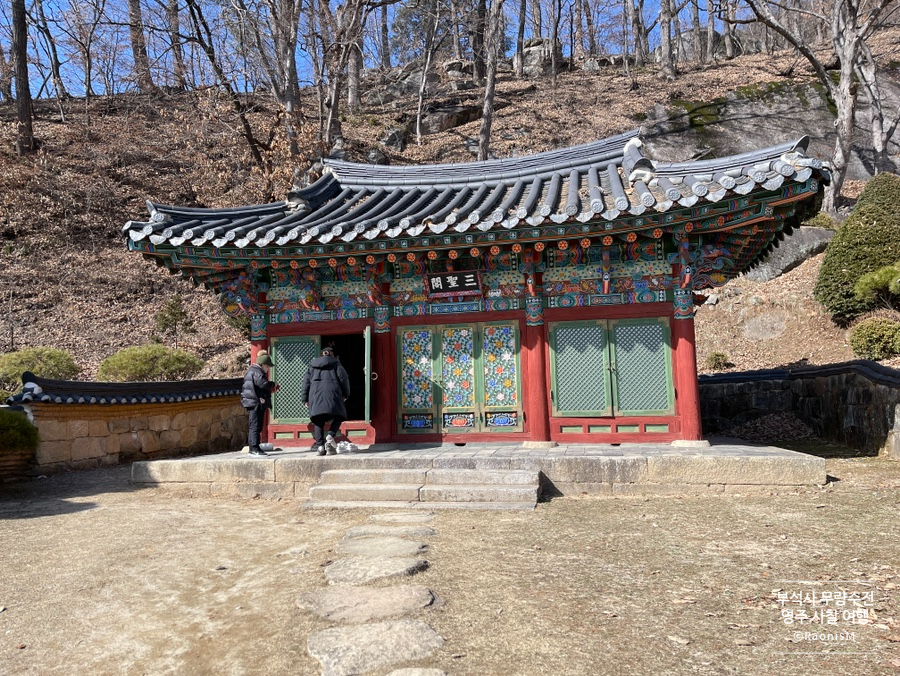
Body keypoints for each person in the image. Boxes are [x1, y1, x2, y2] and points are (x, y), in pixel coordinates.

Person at [302, 345, 350, 456]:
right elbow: (344, 379)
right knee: (340, 415)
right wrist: (346, 394)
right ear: (332, 354)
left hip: (315, 396)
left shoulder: (312, 366)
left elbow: (305, 383)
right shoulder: (336, 364)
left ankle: (320, 446)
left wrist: (304, 399)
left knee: (318, 420)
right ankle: (330, 435)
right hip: (333, 394)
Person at [241, 350, 279, 457]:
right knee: (255, 426)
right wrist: (273, 384)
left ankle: (254, 448)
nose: (268, 369)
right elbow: (263, 384)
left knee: (254, 425)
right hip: (255, 402)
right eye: (267, 366)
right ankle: (254, 448)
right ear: (263, 365)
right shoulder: (257, 372)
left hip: (252, 401)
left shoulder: (252, 371)